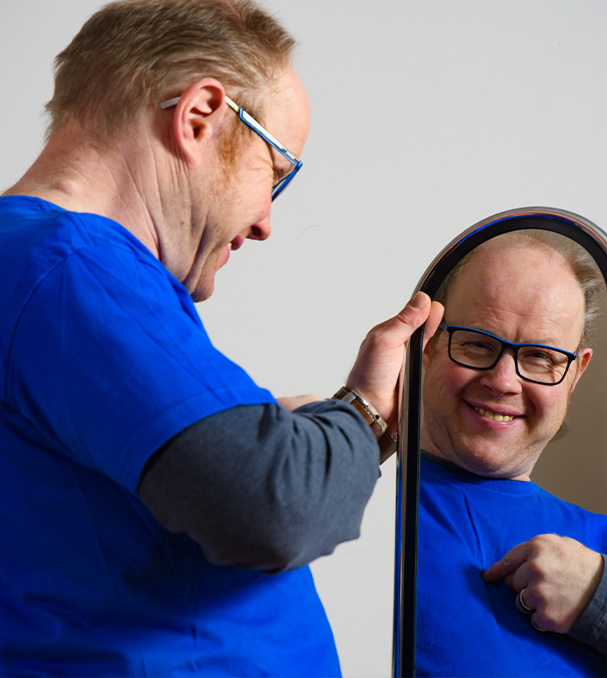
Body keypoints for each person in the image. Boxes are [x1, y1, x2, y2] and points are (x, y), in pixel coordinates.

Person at [0, 1, 443, 675]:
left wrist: (291, 435)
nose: (265, 222)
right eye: (277, 172)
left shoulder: (36, 265)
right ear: (200, 117)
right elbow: (273, 506)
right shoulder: (67, 267)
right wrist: (366, 413)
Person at [415, 230, 607, 677]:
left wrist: (604, 599)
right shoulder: (358, 498)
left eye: (540, 356)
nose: (504, 381)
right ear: (429, 342)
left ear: (575, 374)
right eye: (478, 343)